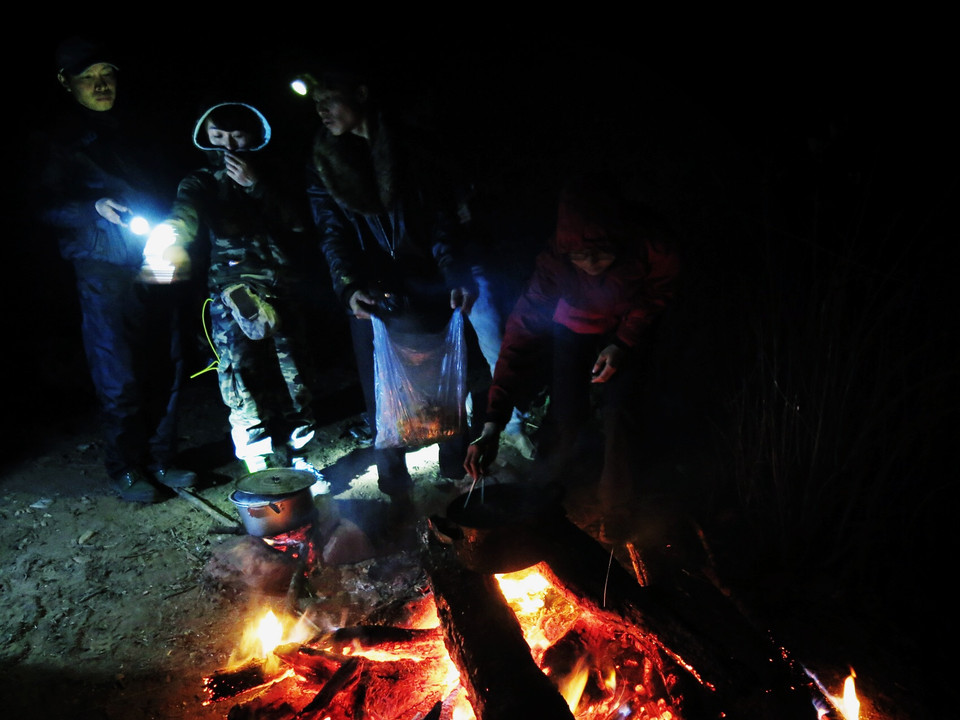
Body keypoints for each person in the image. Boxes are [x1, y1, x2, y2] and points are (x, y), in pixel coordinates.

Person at [304, 62, 486, 514]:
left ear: (361, 93)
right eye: (316, 104)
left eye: (331, 100)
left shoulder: (411, 147)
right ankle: (396, 487)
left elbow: (442, 219)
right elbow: (332, 233)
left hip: (425, 282)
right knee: (380, 386)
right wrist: (348, 287)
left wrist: (453, 274)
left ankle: (452, 465)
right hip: (371, 288)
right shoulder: (324, 161)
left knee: (445, 379)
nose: (322, 111)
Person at [464, 173, 682, 539]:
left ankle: (617, 507)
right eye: (581, 256)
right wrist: (492, 424)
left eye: (601, 252)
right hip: (575, 326)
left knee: (620, 410)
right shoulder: (554, 267)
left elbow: (658, 292)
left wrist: (624, 342)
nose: (592, 262)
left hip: (627, 326)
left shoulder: (651, 244)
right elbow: (517, 340)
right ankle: (541, 495)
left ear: (619, 237)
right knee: (565, 411)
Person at [29, 36, 197, 502]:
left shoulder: (139, 126)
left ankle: (164, 457)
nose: (102, 86)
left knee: (170, 360)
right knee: (118, 371)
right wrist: (91, 207)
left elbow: (173, 182)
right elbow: (41, 206)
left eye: (108, 75)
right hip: (102, 266)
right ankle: (127, 466)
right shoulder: (55, 139)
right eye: (89, 78)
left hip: (155, 254)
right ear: (67, 83)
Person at [156, 101, 321, 474]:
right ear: (206, 137)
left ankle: (300, 455)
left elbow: (300, 223)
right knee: (240, 375)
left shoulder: (279, 173)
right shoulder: (201, 179)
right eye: (217, 136)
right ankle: (258, 462)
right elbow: (184, 211)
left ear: (254, 135)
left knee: (294, 372)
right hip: (233, 289)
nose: (227, 145)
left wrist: (257, 186)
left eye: (236, 135)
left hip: (283, 286)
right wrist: (173, 238)